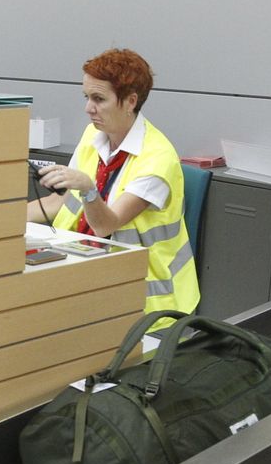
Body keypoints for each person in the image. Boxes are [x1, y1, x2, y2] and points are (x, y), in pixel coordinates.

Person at [29, 49, 200, 327]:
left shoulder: (158, 159)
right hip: (86, 268)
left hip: (147, 302)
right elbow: (57, 204)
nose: (88, 108)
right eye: (87, 97)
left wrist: (88, 189)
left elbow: (106, 225)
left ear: (130, 101)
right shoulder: (93, 135)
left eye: (99, 99)